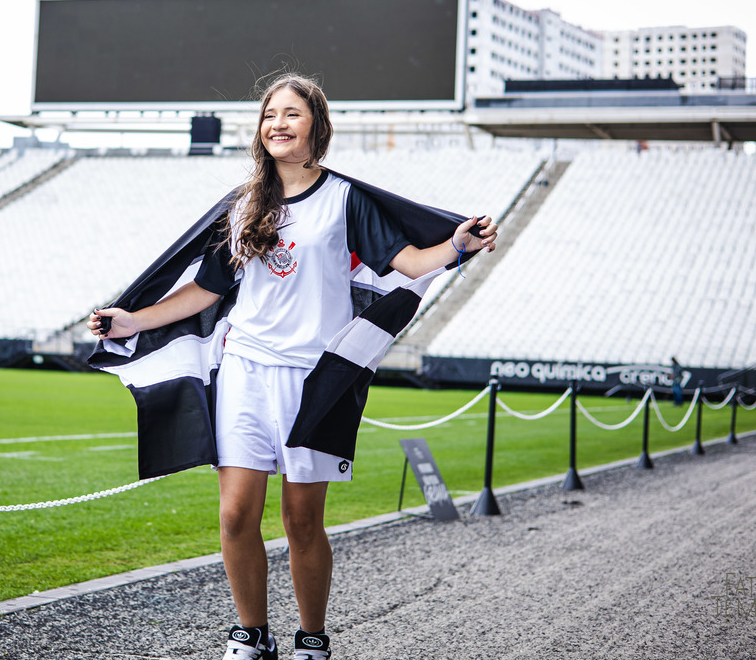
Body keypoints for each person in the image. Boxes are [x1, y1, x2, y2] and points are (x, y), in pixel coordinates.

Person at [88, 74, 498, 660]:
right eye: (268, 115)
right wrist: (133, 321)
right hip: (245, 373)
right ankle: (251, 633)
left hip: (315, 380)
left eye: (292, 114)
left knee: (301, 520)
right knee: (234, 516)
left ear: (317, 127)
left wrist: (457, 246)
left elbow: (410, 263)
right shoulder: (244, 205)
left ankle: (312, 638)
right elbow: (206, 290)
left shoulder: (346, 199)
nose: (277, 123)